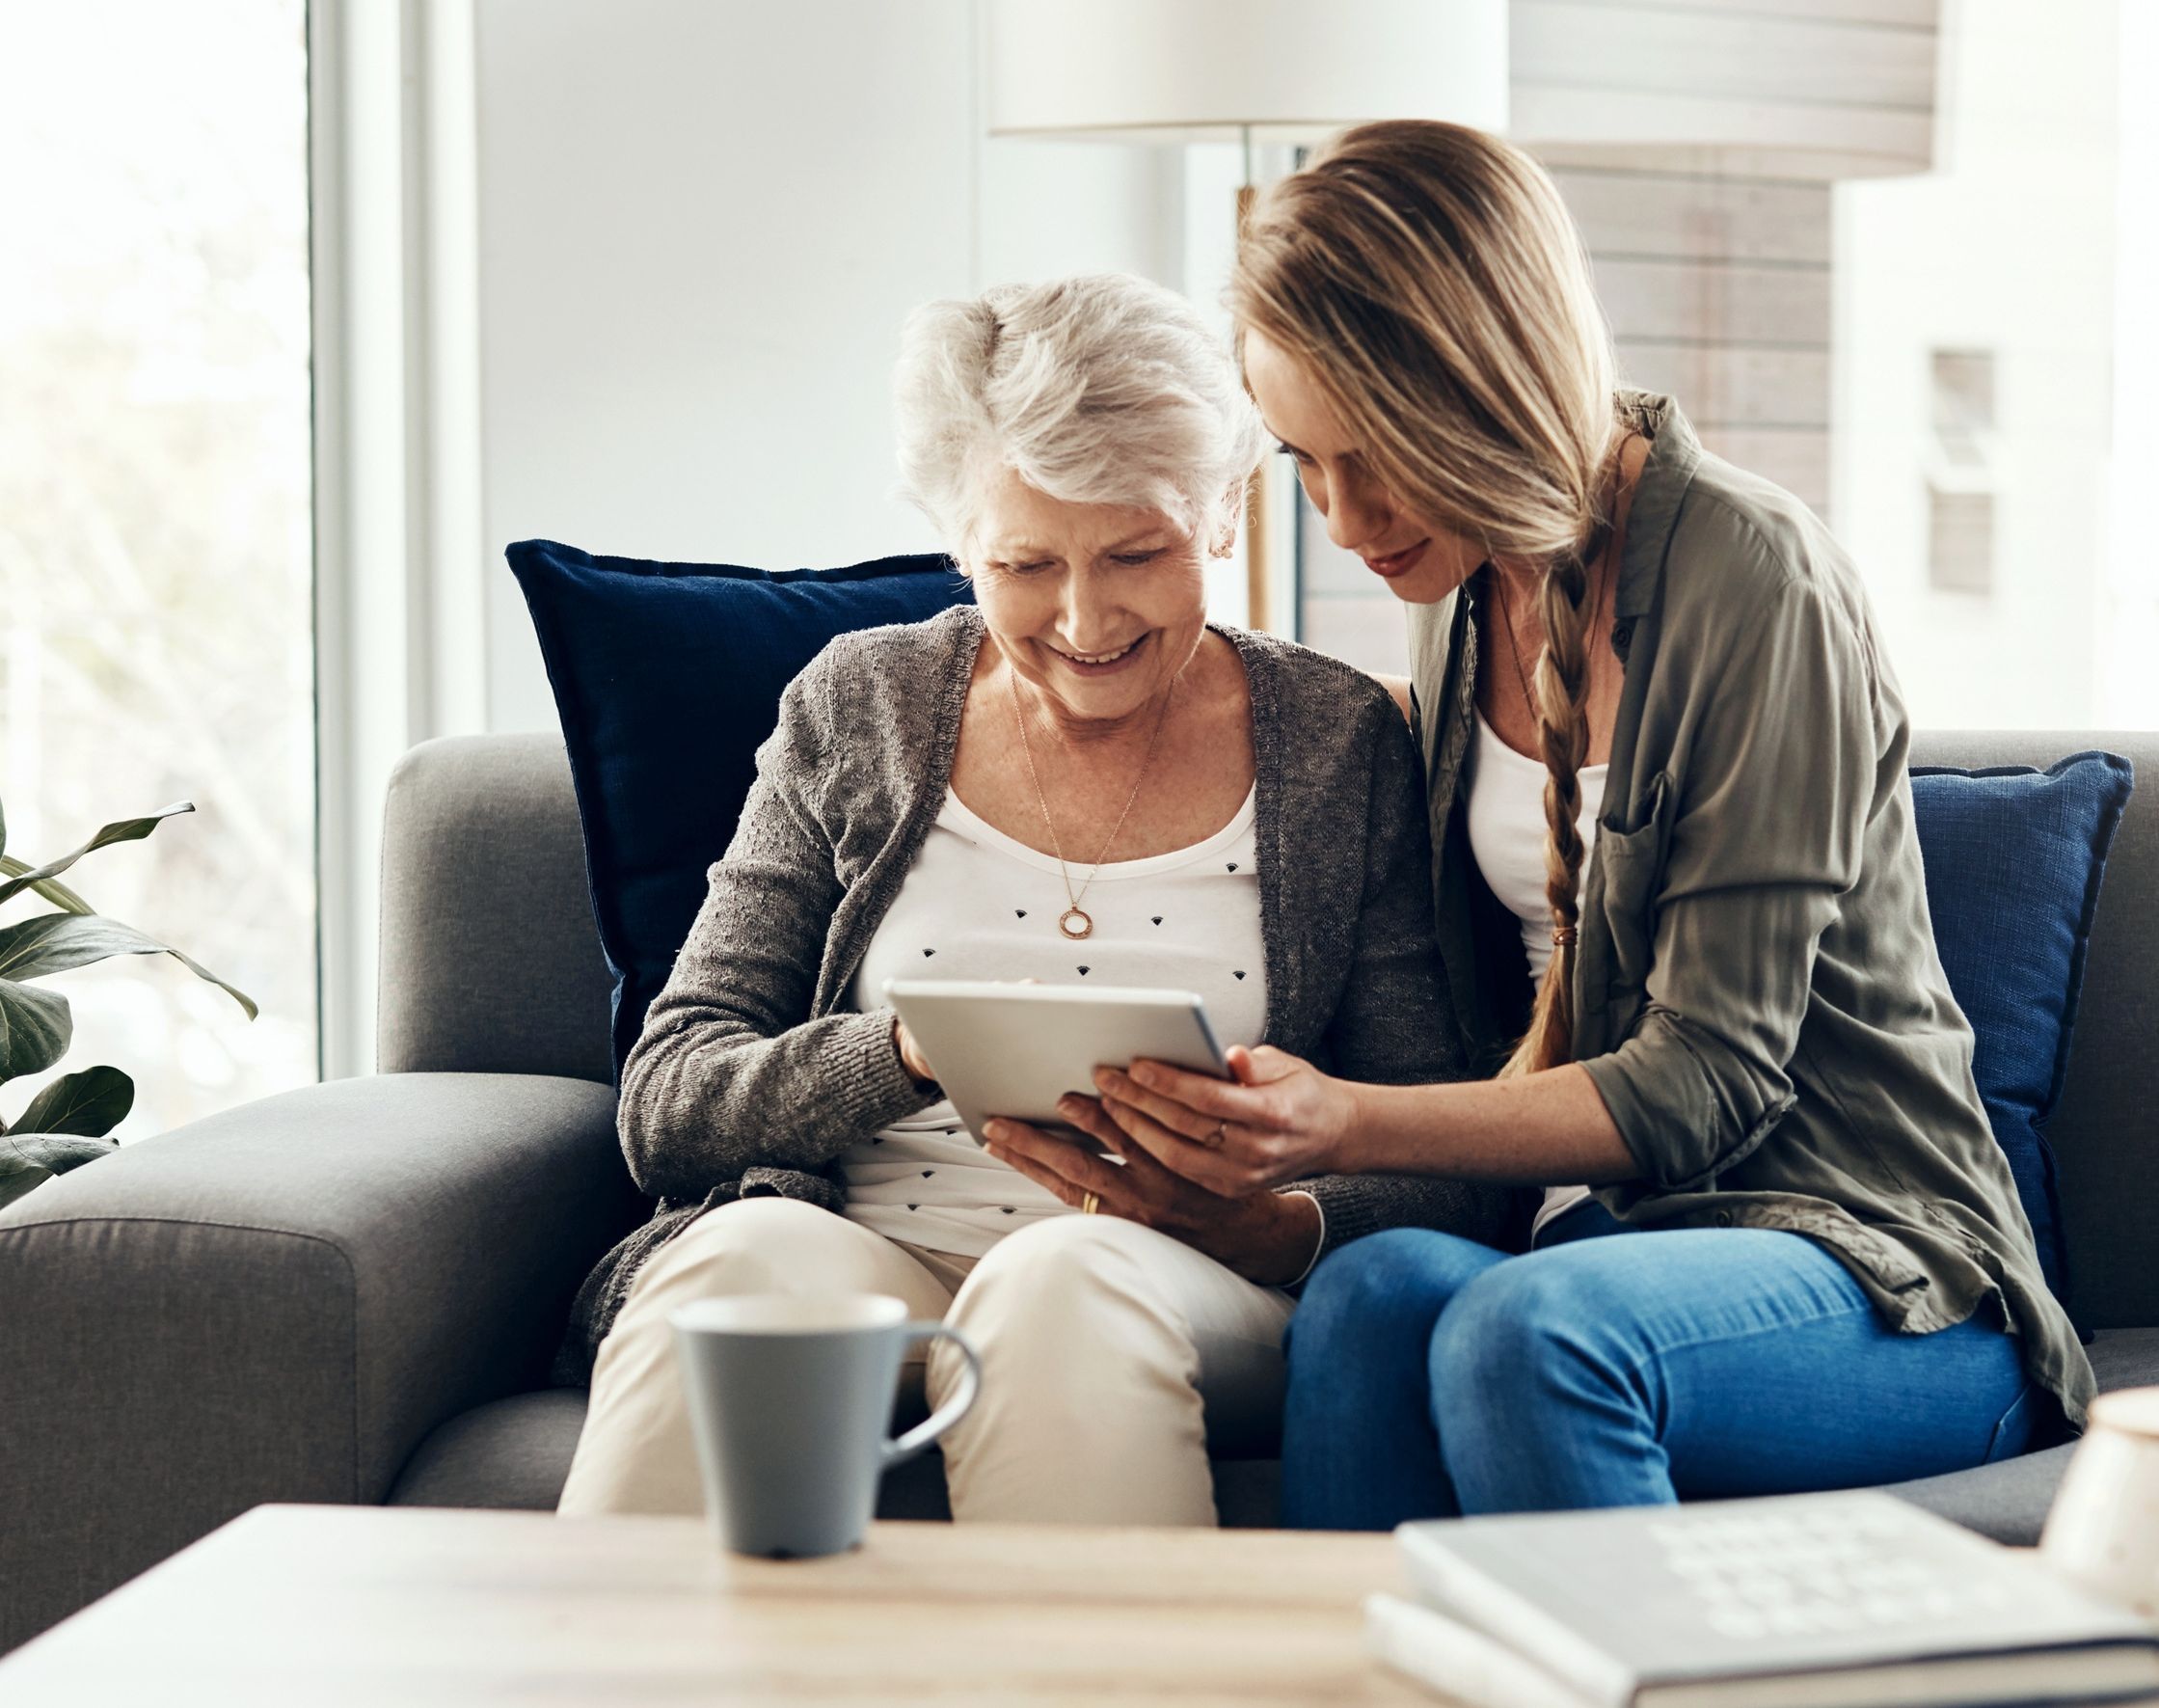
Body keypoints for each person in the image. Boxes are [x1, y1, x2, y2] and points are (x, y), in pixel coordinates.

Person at [1054, 123, 2094, 1529]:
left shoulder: (1754, 575)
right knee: (1367, 1296)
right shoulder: (1469, 597)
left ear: (1482, 382)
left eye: (1377, 456)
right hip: (1608, 1244)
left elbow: (1707, 1085)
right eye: (1301, 463)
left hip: (1881, 1267)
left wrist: (1339, 1124)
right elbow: (1515, 1006)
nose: (1344, 517)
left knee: (1529, 1333)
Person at [553, 272, 1508, 1526]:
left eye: (1137, 553)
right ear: (960, 545)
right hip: (865, 1243)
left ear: (1223, 517)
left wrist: (1266, 1221)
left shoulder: (1341, 741)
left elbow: (1446, 1153)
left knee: (1058, 1287)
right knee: (732, 1267)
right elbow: (671, 1104)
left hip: (1175, 1280)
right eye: (1024, 562)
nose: (1083, 617)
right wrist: (903, 1052)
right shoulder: (860, 704)